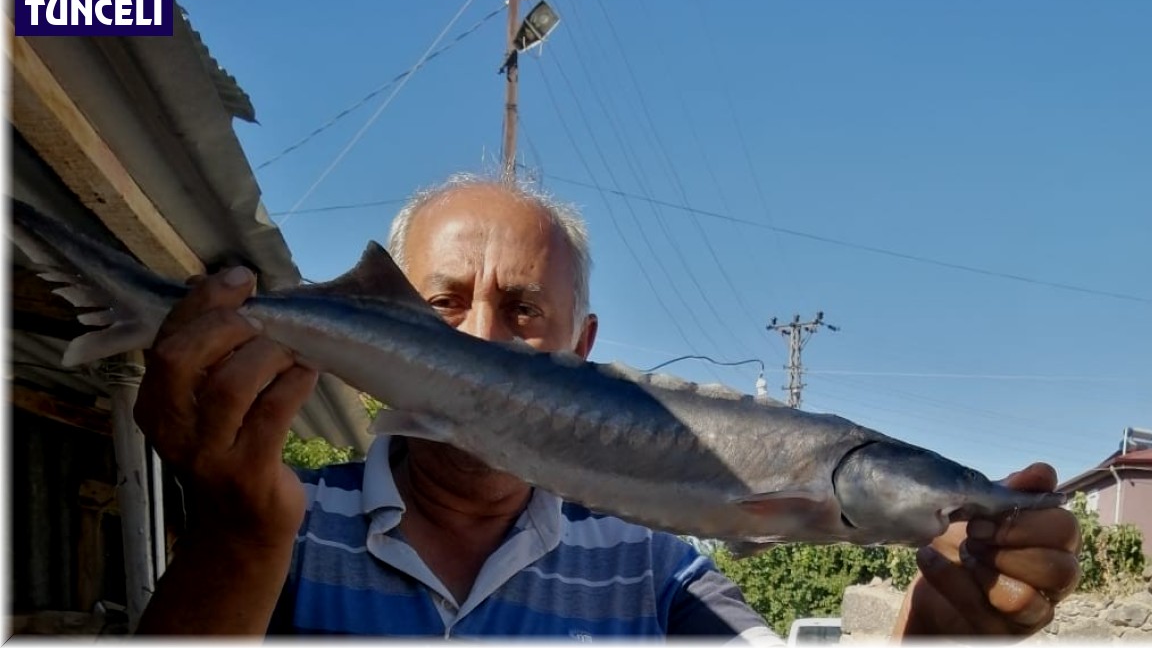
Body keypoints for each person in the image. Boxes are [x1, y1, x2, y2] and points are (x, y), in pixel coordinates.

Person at [132, 173, 1081, 639]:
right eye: (441, 308)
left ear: (583, 349)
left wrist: (936, 637)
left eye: (525, 310)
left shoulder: (657, 574)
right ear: (374, 324)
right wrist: (235, 542)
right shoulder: (280, 520)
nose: (481, 340)